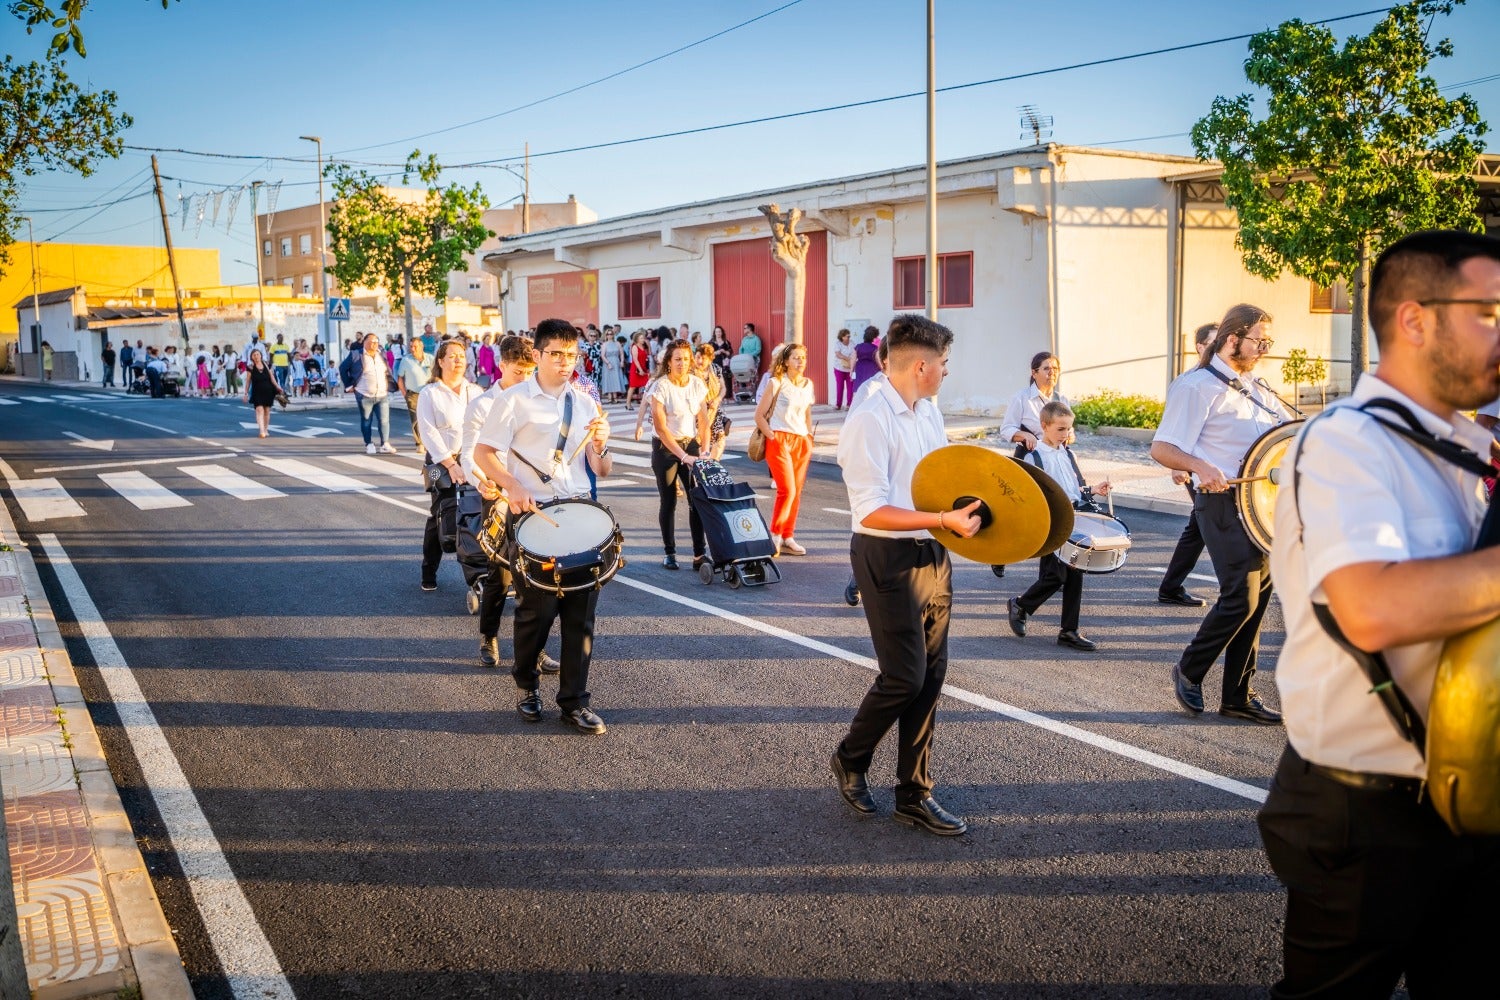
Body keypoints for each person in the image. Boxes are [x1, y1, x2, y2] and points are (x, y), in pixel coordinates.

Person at [1259, 229, 1500, 998]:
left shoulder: (1472, 449)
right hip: (1367, 816)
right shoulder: (1345, 444)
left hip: (1474, 799)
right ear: (1416, 319)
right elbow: (1370, 609)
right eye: (1491, 312)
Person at [831, 313, 983, 836]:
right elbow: (870, 510)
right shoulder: (871, 415)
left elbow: (939, 479)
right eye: (943, 364)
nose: (946, 372)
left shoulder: (927, 410)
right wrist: (941, 520)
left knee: (932, 677)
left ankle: (914, 793)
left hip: (933, 552)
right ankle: (851, 758)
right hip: (885, 556)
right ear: (921, 365)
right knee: (904, 677)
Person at [1152, 304, 1292, 725]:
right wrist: (1200, 467)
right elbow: (1162, 447)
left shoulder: (1256, 387)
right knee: (1241, 597)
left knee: (1260, 598)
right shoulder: (1196, 387)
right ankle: (1190, 669)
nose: (1264, 348)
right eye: (1259, 340)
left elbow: (1290, 431)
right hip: (1221, 502)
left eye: (1268, 341)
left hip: (1262, 504)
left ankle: (1237, 696)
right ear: (1233, 338)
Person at [474, 319, 614, 735]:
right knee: (537, 612)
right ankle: (526, 685)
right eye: (555, 354)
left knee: (580, 616)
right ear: (537, 354)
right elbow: (483, 454)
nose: (564, 362)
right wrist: (513, 485)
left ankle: (574, 702)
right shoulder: (514, 400)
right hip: (532, 513)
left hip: (579, 516)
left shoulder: (586, 402)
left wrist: (601, 443)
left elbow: (601, 469)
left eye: (571, 355)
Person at [461, 335, 559, 673]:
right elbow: (468, 452)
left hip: (533, 499)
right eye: (518, 371)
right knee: (500, 575)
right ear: (502, 365)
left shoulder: (538, 399)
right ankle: (488, 636)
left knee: (534, 578)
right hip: (499, 495)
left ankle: (537, 648)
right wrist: (481, 481)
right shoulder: (483, 404)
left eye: (529, 371)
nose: (524, 378)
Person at [1006, 401, 1111, 651]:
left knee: (1074, 572)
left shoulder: (1068, 453)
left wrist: (1093, 490)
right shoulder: (1034, 455)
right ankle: (1021, 605)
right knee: (1056, 575)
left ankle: (1069, 631)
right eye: (1060, 429)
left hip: (1073, 518)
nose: (1066, 435)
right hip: (1051, 521)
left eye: (1068, 429)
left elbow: (1075, 490)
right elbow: (1029, 494)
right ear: (1044, 426)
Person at [1157, 323, 1220, 608]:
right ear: (1199, 347)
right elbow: (1171, 431)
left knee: (1198, 528)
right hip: (1199, 471)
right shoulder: (1188, 382)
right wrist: (1176, 466)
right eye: (1213, 342)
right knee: (1212, 527)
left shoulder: (1221, 380)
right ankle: (1236, 589)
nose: (1219, 348)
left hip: (1217, 471)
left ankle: (1170, 586)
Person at [416, 339, 483, 592]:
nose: (458, 360)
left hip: (470, 459)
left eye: (461, 355)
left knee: (475, 511)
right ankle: (428, 570)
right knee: (440, 511)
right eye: (452, 355)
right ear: (441, 361)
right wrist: (450, 464)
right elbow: (428, 432)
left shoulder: (475, 391)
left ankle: (478, 572)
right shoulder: (429, 393)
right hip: (436, 462)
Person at [649, 339, 710, 570]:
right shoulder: (661, 387)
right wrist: (682, 457)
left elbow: (703, 420)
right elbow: (662, 428)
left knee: (697, 500)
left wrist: (704, 451)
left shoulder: (696, 384)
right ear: (669, 362)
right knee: (669, 501)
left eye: (686, 359)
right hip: (665, 448)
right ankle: (670, 552)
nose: (682, 363)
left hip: (690, 445)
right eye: (677, 359)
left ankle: (699, 554)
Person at [755, 341, 816, 556]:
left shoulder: (808, 384)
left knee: (796, 492)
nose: (800, 361)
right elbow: (759, 415)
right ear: (786, 361)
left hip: (801, 441)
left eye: (803, 358)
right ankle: (775, 535)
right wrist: (772, 435)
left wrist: (808, 437)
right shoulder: (776, 382)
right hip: (779, 438)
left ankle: (788, 535)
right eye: (796, 358)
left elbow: (806, 414)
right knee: (787, 490)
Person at [342, 332, 397, 455]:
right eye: (372, 341)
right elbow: (342, 368)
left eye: (376, 341)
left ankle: (385, 444)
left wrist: (389, 382)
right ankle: (369, 443)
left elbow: (386, 369)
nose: (374, 344)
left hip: (382, 394)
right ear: (365, 342)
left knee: (384, 420)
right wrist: (349, 386)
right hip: (364, 394)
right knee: (366, 420)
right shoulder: (356, 355)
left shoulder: (381, 354)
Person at [693, 343, 731, 461]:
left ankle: (714, 463)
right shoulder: (691, 372)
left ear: (710, 359)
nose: (699, 360)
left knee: (719, 437)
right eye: (698, 357)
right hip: (697, 412)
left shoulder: (715, 369)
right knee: (699, 440)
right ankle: (700, 464)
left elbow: (723, 388)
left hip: (714, 410)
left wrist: (717, 399)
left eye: (703, 358)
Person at [398, 338, 433, 456]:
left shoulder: (430, 359)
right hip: (413, 394)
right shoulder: (406, 360)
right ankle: (419, 443)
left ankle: (430, 442)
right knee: (416, 419)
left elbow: (437, 375)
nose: (413, 349)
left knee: (430, 419)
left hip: (429, 393)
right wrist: (404, 394)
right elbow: (400, 378)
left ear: (421, 346)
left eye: (415, 346)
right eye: (411, 346)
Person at [242, 348, 278, 437]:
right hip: (257, 392)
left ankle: (266, 429)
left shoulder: (266, 364)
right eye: (254, 355)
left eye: (258, 354)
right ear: (251, 357)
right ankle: (261, 431)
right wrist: (245, 393)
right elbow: (248, 381)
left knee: (267, 411)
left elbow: (271, 377)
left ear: (261, 355)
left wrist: (277, 387)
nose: (256, 356)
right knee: (259, 410)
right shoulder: (250, 367)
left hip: (268, 391)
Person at [626, 330, 652, 408]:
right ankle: (628, 403)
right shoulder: (634, 346)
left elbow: (649, 354)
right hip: (636, 368)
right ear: (637, 339)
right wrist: (640, 369)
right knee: (633, 386)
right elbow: (635, 359)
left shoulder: (644, 346)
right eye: (641, 338)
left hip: (643, 368)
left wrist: (648, 345)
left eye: (643, 338)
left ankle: (647, 402)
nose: (643, 340)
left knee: (648, 385)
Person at [601, 328, 626, 402]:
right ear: (606, 335)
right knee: (608, 379)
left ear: (613, 335)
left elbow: (621, 353)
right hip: (607, 363)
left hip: (616, 362)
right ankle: (609, 397)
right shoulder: (604, 344)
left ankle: (615, 397)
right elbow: (602, 355)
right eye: (608, 334)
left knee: (616, 379)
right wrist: (608, 363)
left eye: (611, 334)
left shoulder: (617, 343)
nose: (609, 335)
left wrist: (622, 362)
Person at [851, 325, 881, 389]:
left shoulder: (858, 347)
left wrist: (851, 372)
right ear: (873, 337)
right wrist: (882, 369)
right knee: (870, 388)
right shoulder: (875, 348)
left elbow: (853, 360)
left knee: (859, 388)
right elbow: (878, 361)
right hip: (872, 369)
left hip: (860, 369)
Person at [832, 329, 856, 409]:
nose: (849, 338)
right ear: (842, 337)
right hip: (839, 368)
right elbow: (838, 354)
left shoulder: (852, 343)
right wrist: (848, 358)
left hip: (849, 369)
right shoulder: (838, 344)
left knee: (850, 387)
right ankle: (838, 404)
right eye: (847, 336)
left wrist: (852, 360)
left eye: (849, 336)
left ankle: (849, 404)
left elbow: (854, 353)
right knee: (840, 386)